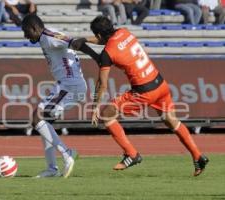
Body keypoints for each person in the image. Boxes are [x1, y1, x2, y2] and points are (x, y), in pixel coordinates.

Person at [72, 15, 209, 176]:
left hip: (144, 91)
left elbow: (102, 83)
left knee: (107, 115)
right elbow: (108, 43)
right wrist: (87, 41)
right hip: (160, 84)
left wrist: (95, 106)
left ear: (99, 35)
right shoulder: (125, 32)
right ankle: (198, 156)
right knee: (172, 121)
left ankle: (131, 153)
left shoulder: (107, 53)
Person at [21, 14, 91, 178]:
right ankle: (52, 169)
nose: (26, 36)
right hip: (68, 85)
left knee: (36, 117)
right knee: (44, 123)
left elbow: (75, 43)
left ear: (34, 28)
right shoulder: (45, 38)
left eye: (26, 32)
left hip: (70, 85)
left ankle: (68, 154)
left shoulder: (50, 36)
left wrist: (99, 58)